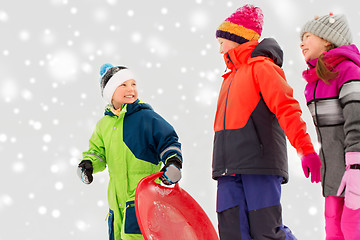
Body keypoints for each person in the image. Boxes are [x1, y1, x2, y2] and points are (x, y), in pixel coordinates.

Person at [213, 4, 321, 239]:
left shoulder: (262, 67)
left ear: (238, 37)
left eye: (223, 38)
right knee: (232, 233)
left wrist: (305, 150)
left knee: (265, 233)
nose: (219, 44)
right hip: (227, 168)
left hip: (258, 165)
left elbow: (287, 109)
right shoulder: (228, 78)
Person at [77, 63, 183, 240]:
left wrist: (173, 162)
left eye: (133, 84)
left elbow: (168, 140)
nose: (130, 89)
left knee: (138, 236)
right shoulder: (104, 125)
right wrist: (88, 164)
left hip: (143, 197)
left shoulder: (146, 118)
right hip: (116, 203)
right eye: (123, 85)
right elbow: (97, 153)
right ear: (110, 92)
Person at [300, 12, 360, 239]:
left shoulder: (349, 72)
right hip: (334, 175)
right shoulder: (315, 82)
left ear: (327, 39)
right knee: (334, 232)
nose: (302, 43)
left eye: (307, 36)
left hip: (353, 171)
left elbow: (357, 123)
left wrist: (356, 169)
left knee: (352, 230)